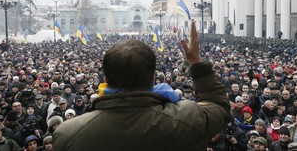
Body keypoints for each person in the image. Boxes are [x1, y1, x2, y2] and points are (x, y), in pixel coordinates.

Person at [53, 19, 232, 151]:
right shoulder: (186, 119)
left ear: (105, 80)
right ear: (153, 78)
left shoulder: (68, 134)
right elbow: (219, 106)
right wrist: (197, 63)